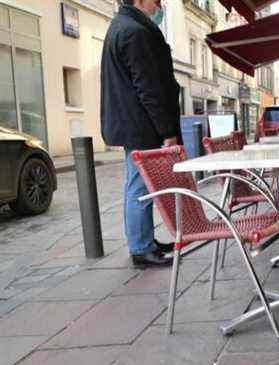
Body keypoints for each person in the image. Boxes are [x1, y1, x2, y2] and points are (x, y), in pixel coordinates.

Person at [101, 0, 180, 267]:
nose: (160, 5)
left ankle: (144, 241)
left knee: (138, 185)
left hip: (132, 122)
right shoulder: (134, 31)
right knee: (139, 187)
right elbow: (148, 87)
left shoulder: (121, 26)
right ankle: (141, 247)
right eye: (157, 0)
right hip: (139, 124)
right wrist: (166, 130)